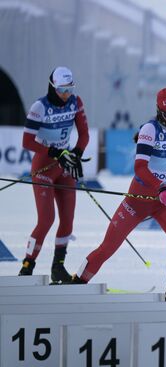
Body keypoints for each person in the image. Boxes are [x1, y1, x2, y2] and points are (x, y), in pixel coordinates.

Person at [71, 87, 166, 302]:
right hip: (139, 199)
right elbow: (140, 168)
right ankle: (77, 284)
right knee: (108, 247)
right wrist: (161, 187)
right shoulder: (150, 130)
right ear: (160, 112)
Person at [19, 66, 89, 283]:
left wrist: (76, 154)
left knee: (68, 221)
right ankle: (27, 266)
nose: (66, 94)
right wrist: (55, 152)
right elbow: (27, 142)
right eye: (61, 90)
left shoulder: (76, 102)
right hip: (44, 166)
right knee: (47, 219)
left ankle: (58, 267)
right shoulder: (40, 106)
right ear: (52, 87)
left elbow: (84, 135)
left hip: (64, 165)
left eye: (69, 89)